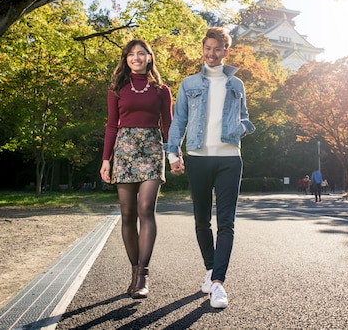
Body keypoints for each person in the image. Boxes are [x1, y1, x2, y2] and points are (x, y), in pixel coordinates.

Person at [165, 27, 255, 309]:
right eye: (207, 48)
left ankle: (218, 283)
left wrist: (239, 129)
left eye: (217, 49)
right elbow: (178, 121)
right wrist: (172, 154)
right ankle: (210, 268)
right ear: (202, 49)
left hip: (230, 157)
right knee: (201, 220)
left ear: (225, 52)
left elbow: (245, 118)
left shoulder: (236, 85)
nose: (212, 54)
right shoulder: (188, 84)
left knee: (226, 222)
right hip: (198, 157)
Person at [100, 39, 173, 299]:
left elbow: (168, 125)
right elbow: (111, 125)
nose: (136, 58)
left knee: (145, 210)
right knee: (128, 213)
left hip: (153, 148)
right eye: (131, 54)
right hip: (125, 149)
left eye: (141, 53)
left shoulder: (162, 90)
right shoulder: (117, 88)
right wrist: (106, 159)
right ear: (126, 59)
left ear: (150, 58)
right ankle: (133, 270)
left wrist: (175, 154)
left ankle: (143, 276)